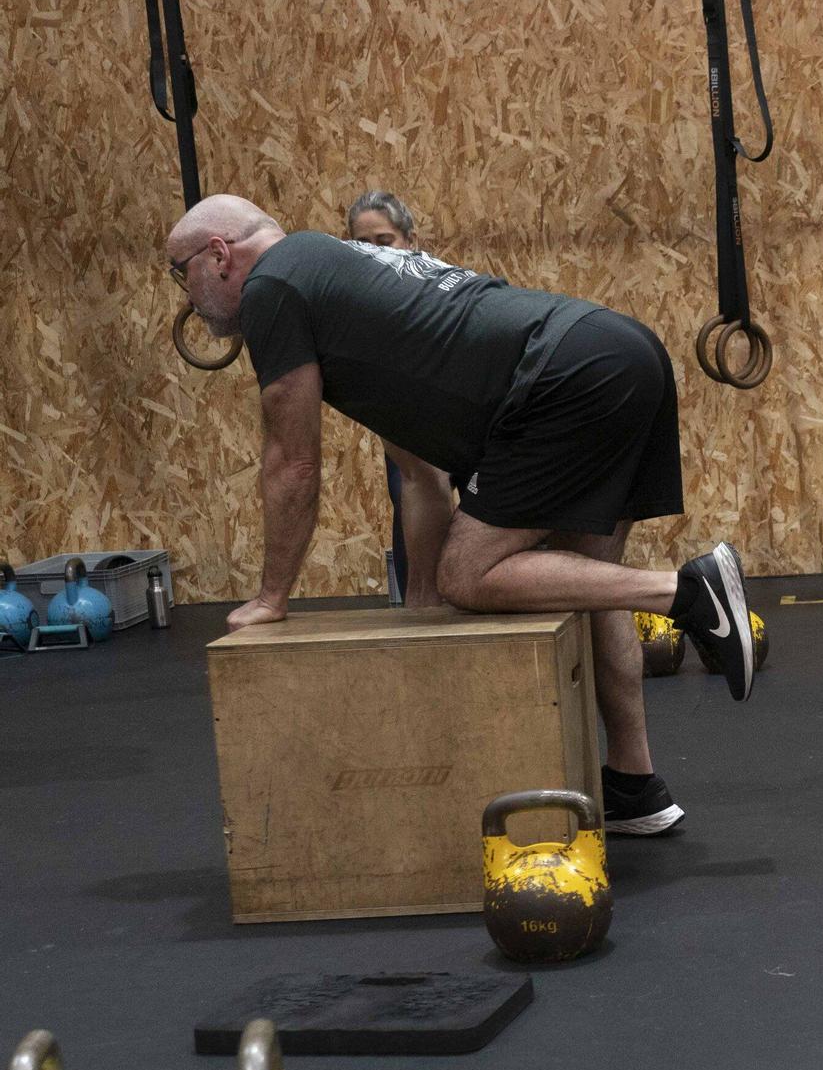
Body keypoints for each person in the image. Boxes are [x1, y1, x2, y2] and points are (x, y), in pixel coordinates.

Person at [167, 193, 755, 837]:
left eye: (181, 273)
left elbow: (293, 463)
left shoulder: (273, 290)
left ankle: (683, 591)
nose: (186, 297)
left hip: (566, 379)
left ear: (218, 256)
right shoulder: (346, 280)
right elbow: (421, 476)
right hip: (617, 350)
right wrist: (423, 614)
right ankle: (634, 784)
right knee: (586, 578)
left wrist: (271, 597)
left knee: (471, 574)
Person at [344, 190, 426, 601]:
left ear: (410, 241)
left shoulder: (437, 280)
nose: (373, 252)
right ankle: (417, 605)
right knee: (406, 492)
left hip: (463, 412)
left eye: (384, 241)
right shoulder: (355, 299)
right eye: (362, 245)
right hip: (405, 414)